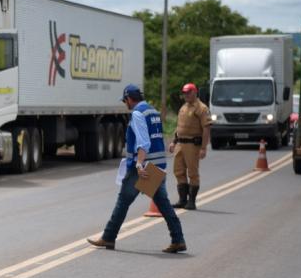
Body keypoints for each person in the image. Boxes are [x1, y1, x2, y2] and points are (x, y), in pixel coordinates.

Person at [87, 84, 186, 253]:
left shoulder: (138, 113)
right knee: (163, 203)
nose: (125, 104)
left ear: (129, 99)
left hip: (143, 167)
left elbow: (144, 141)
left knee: (123, 201)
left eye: (125, 100)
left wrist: (139, 164)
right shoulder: (153, 111)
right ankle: (178, 239)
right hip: (157, 165)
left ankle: (109, 237)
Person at [169, 82, 211, 210]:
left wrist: (203, 148)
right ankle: (182, 200)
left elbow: (206, 129)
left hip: (193, 144)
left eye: (188, 92)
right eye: (184, 93)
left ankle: (191, 201)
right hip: (180, 144)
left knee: (192, 173)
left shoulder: (202, 108)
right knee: (178, 171)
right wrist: (173, 141)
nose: (186, 95)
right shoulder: (183, 107)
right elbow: (179, 127)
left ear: (195, 92)